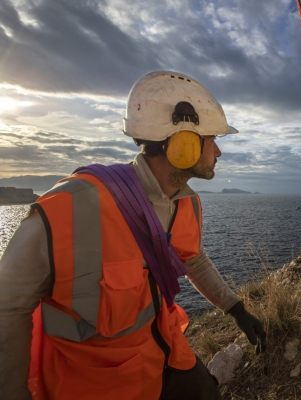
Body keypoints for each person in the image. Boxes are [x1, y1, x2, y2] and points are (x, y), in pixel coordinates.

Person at [0, 70, 266, 400]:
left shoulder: (187, 204)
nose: (219, 152)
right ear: (183, 143)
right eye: (213, 139)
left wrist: (236, 309)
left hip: (167, 357)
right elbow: (7, 306)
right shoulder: (68, 208)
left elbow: (193, 258)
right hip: (100, 387)